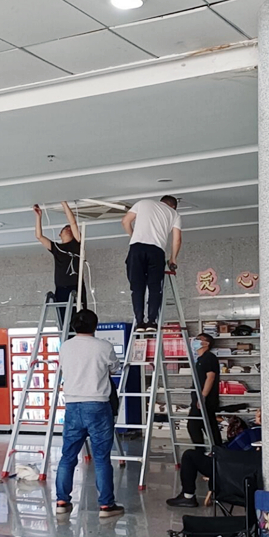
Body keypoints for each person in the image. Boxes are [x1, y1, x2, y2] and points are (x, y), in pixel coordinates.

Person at [55, 309, 124, 519]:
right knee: (101, 458)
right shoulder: (104, 346)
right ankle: (106, 505)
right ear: (95, 325)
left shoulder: (65, 346)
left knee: (68, 456)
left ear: (73, 326)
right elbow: (114, 368)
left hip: (72, 405)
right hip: (98, 405)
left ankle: (62, 502)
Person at [167, 409, 261, 508]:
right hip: (249, 473)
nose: (256, 414)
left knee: (189, 455)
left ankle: (187, 496)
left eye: (258, 413)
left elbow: (229, 452)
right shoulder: (265, 435)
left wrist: (214, 453)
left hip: (228, 470)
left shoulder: (251, 433)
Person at [121, 195, 182, 332]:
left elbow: (125, 221)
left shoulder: (143, 202)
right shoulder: (174, 214)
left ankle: (139, 322)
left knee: (137, 288)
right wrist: (173, 258)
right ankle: (151, 322)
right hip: (156, 251)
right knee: (154, 288)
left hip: (136, 249)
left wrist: (134, 236)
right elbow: (177, 239)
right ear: (173, 206)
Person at [33, 201, 86, 326]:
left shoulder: (77, 244)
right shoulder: (56, 248)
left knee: (79, 318)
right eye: (65, 228)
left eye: (69, 228)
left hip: (76, 286)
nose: (68, 229)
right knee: (64, 320)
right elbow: (39, 236)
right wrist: (38, 217)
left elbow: (73, 222)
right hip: (61, 287)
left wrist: (64, 204)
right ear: (60, 234)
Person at [189, 333, 221, 449]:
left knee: (194, 425)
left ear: (206, 343)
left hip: (205, 399)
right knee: (207, 425)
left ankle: (205, 450)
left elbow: (210, 377)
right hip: (199, 398)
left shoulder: (209, 357)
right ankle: (217, 449)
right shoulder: (200, 359)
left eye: (199, 339)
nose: (195, 341)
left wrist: (203, 396)